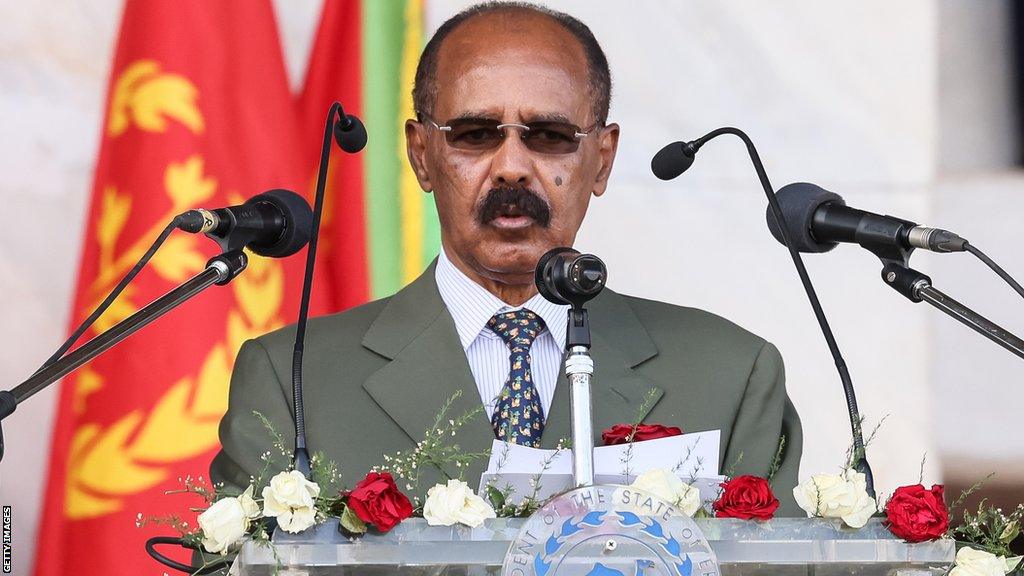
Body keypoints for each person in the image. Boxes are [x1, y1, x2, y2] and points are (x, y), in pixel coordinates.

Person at [210, 1, 802, 514]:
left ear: (601, 157)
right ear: (421, 155)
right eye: (475, 133)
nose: (513, 165)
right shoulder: (295, 380)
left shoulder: (730, 373)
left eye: (549, 135)